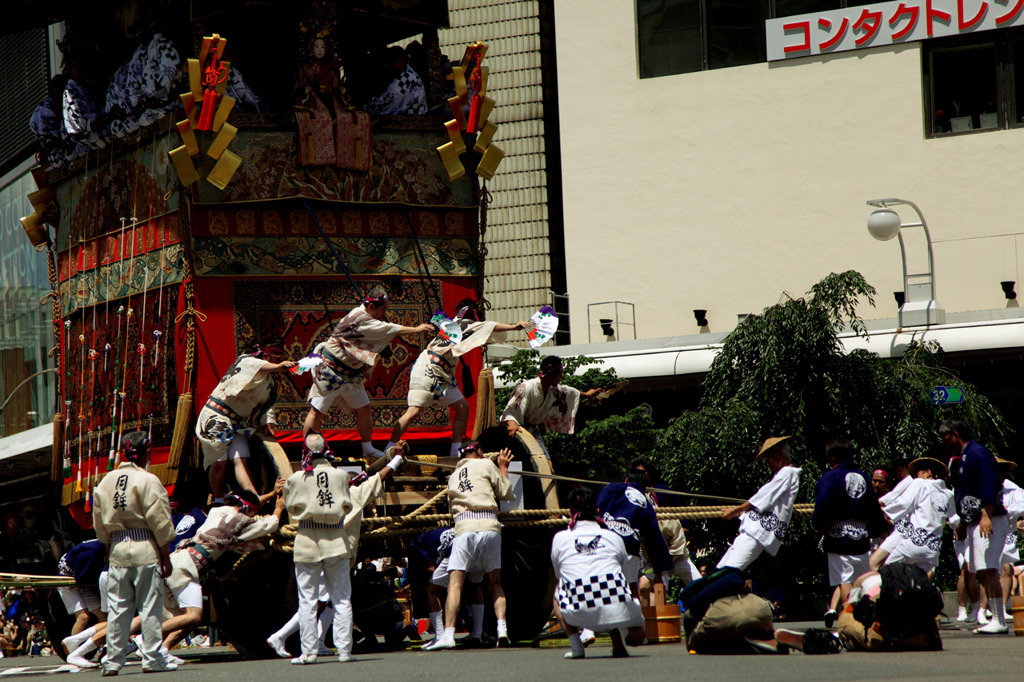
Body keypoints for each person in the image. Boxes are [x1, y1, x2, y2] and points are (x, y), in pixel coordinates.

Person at [283, 433, 404, 664]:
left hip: (307, 538)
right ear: (327, 449)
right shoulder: (340, 475)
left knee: (307, 599)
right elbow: (349, 502)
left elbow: (291, 506)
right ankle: (345, 650)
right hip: (336, 539)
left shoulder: (296, 478)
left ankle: (308, 652)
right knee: (341, 598)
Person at [387, 300, 528, 457]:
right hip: (429, 368)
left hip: (443, 372)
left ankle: (455, 451)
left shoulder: (453, 325)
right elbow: (491, 326)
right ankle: (389, 447)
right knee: (413, 411)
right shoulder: (464, 322)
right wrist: (515, 326)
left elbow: (477, 335)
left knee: (463, 408)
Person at [303, 288, 432, 457]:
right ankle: (307, 452)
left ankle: (367, 448)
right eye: (382, 310)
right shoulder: (361, 319)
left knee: (364, 409)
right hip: (331, 371)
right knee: (317, 411)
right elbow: (388, 329)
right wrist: (416, 329)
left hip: (351, 374)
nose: (383, 314)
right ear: (371, 306)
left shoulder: (367, 316)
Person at [92, 431, 177, 675]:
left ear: (123, 454)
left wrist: (108, 553)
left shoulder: (106, 481)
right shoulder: (148, 480)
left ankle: (111, 662)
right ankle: (151, 658)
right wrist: (165, 555)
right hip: (145, 548)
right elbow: (159, 520)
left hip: (117, 549)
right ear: (146, 454)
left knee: (118, 610)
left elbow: (100, 524)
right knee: (149, 607)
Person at [161, 488, 285, 652]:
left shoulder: (217, 510)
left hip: (178, 558)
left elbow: (248, 504)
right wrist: (278, 508)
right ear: (245, 508)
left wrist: (270, 494)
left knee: (184, 619)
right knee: (194, 616)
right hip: (188, 565)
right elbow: (270, 525)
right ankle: (145, 637)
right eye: (252, 513)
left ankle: (161, 648)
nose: (251, 517)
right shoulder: (240, 521)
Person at [424, 441, 516, 650]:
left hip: (464, 527)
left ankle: (448, 635)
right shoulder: (486, 464)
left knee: (455, 584)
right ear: (479, 451)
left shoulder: (454, 476)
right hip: (489, 524)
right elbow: (504, 493)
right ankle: (502, 630)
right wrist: (503, 467)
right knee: (494, 583)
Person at [196, 339, 296, 502]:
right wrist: (279, 367)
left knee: (240, 460)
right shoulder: (246, 360)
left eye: (280, 356)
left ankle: (254, 498)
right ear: (266, 355)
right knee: (220, 461)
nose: (279, 359)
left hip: (238, 423)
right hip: (218, 415)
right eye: (276, 355)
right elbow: (258, 366)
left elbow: (268, 406)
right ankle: (218, 499)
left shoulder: (270, 383)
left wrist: (267, 424)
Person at [552, 486, 645, 659]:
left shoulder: (560, 538)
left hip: (577, 612)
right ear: (597, 509)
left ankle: (576, 646)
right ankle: (620, 632)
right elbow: (625, 577)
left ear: (570, 510)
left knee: (558, 590)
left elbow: (560, 575)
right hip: (617, 609)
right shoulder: (613, 537)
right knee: (639, 635)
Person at [942, 418, 1009, 634]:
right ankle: (996, 618)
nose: (944, 441)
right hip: (973, 520)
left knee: (989, 569)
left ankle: (999, 619)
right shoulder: (963, 456)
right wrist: (963, 521)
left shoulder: (978, 453)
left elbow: (989, 484)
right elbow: (963, 491)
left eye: (946, 436)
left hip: (988, 517)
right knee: (981, 570)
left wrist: (986, 515)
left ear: (956, 433)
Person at [813, 439, 887, 627]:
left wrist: (820, 524)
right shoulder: (863, 477)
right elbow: (873, 508)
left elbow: (822, 502)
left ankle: (850, 619)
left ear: (832, 457)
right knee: (861, 580)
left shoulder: (830, 477)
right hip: (862, 535)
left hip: (839, 536)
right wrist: (877, 529)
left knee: (845, 581)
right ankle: (867, 615)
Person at [718, 436, 801, 571]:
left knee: (727, 572)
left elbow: (763, 496)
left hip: (757, 533)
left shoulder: (788, 472)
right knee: (721, 570)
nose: (767, 461)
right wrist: (739, 510)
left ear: (779, 455)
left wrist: (734, 511)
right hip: (752, 530)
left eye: (768, 456)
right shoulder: (782, 475)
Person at [597, 459, 673, 598]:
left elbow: (598, 508)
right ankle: (634, 617)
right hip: (630, 547)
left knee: (602, 583)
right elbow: (654, 538)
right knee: (631, 587)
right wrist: (658, 570)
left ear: (626, 480)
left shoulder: (612, 488)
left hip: (604, 541)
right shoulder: (645, 503)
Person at [869, 457, 958, 576]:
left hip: (911, 543)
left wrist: (884, 511)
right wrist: (959, 529)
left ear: (928, 472)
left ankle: (875, 594)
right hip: (932, 550)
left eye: (918, 473)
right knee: (920, 582)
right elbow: (955, 519)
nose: (915, 476)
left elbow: (903, 504)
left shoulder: (919, 482)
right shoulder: (948, 493)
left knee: (885, 574)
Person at [500, 356, 600, 457]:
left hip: (533, 430)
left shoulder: (553, 389)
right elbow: (509, 412)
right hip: (516, 430)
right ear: (551, 374)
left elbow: (568, 392)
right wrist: (512, 423)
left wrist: (587, 395)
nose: (561, 376)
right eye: (560, 372)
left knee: (547, 463)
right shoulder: (525, 388)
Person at [56, 539, 106, 638]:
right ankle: (72, 648)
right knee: (83, 617)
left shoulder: (100, 546)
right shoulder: (93, 550)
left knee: (104, 618)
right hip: (67, 579)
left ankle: (101, 646)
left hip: (83, 582)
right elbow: (80, 576)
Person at [364, 46, 427, 116]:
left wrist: (367, 107)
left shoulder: (406, 77)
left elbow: (388, 104)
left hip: (410, 120)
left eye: (390, 62)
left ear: (400, 60)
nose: (388, 65)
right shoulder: (409, 74)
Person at [29, 75, 68, 167]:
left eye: (60, 88)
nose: (58, 91)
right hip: (56, 154)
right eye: (56, 88)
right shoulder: (46, 108)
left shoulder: (64, 105)